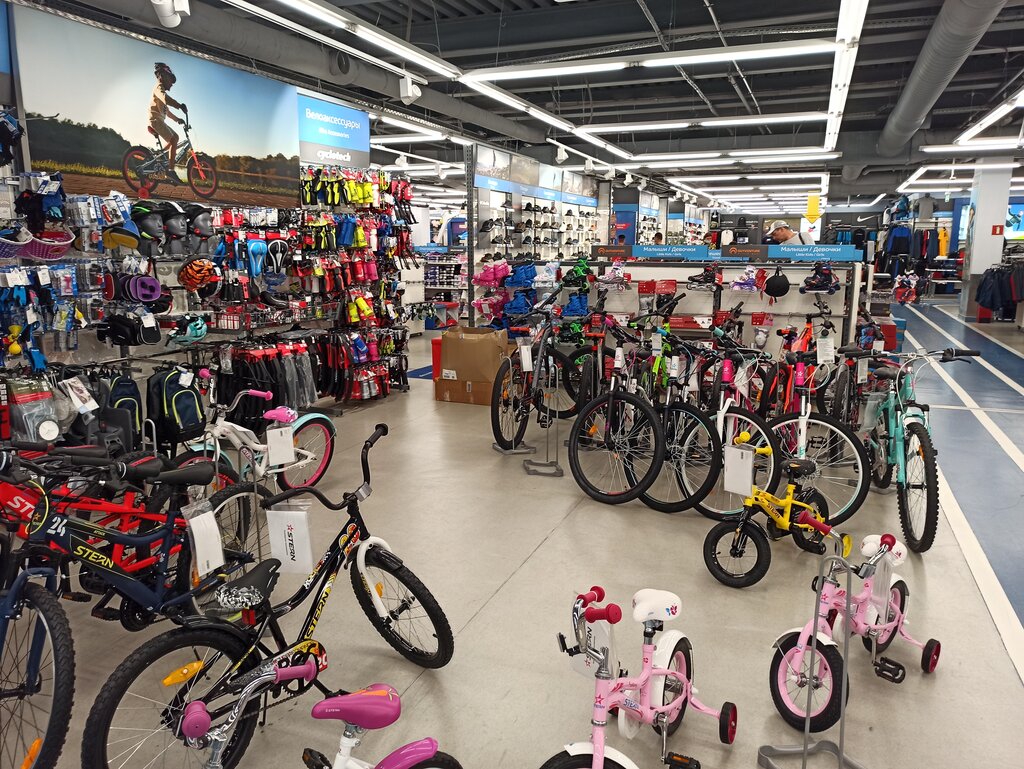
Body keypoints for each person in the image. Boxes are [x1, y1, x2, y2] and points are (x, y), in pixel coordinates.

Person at [150, 63, 188, 180]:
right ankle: (170, 171)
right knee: (173, 140)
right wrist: (179, 105)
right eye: (170, 80)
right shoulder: (158, 88)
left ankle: (160, 153)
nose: (172, 84)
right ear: (163, 77)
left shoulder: (162, 91)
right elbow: (165, 98)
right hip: (155, 120)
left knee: (175, 137)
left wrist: (177, 119)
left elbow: (167, 112)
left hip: (160, 121)